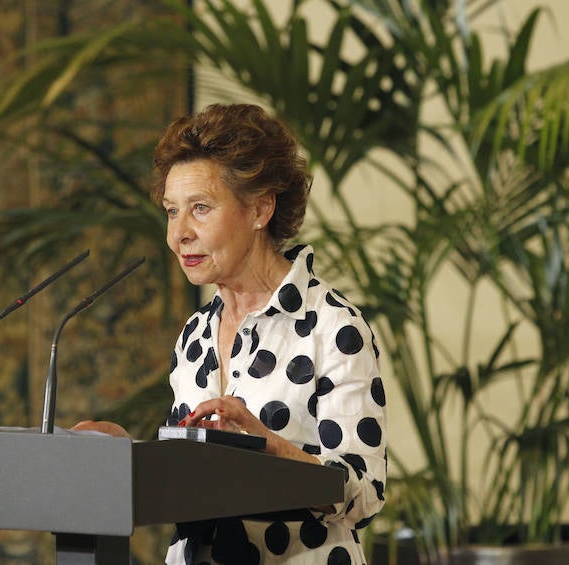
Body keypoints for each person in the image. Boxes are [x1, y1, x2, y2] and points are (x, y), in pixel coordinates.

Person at [73, 103, 387, 564]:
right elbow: (198, 481)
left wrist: (270, 449)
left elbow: (363, 494)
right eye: (171, 211)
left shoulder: (333, 327)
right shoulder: (197, 333)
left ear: (260, 208)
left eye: (199, 209)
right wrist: (128, 457)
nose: (178, 234)